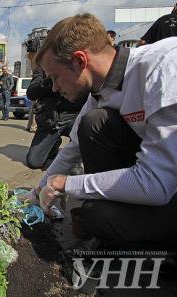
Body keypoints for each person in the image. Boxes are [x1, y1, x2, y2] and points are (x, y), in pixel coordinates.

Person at [32, 13, 177, 247]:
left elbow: (157, 184)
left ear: (80, 61)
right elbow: (73, 150)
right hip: (162, 181)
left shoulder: (162, 68)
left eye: (55, 77)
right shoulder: (101, 91)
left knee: (98, 217)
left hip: (165, 185)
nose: (55, 88)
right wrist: (36, 192)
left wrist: (65, 184)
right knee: (93, 122)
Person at [25, 67, 85, 171]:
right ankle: (54, 144)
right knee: (34, 162)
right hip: (50, 121)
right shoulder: (43, 65)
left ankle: (76, 158)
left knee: (84, 126)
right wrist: (51, 78)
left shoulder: (76, 65)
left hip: (72, 118)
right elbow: (31, 93)